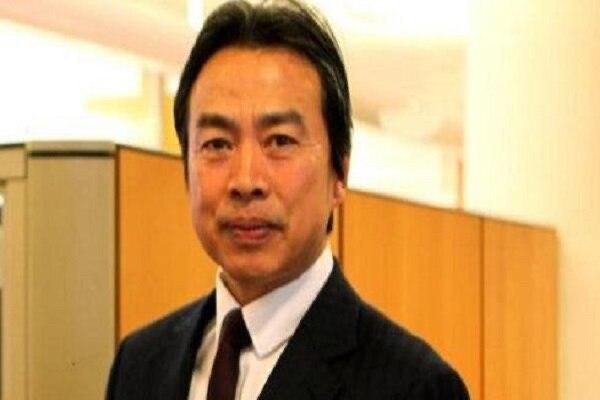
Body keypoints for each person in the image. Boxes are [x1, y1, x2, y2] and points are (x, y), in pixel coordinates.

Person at [106, 1, 470, 399]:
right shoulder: (140, 364)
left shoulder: (414, 387)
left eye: (280, 141)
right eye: (217, 144)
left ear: (339, 172)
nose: (246, 181)